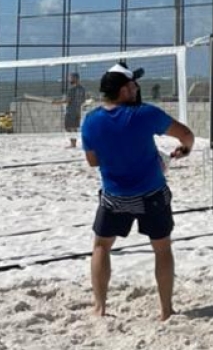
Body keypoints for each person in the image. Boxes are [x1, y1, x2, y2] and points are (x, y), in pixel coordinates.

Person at [81, 65, 195, 320]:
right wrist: (185, 149)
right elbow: (186, 134)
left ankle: (100, 308)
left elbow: (93, 161)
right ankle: (166, 310)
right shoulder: (145, 114)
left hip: (114, 196)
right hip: (151, 193)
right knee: (162, 248)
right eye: (133, 86)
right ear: (123, 90)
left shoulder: (90, 120)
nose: (137, 89)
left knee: (101, 246)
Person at [62, 72, 88, 149]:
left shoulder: (71, 89)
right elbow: (83, 100)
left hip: (71, 111)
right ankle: (74, 143)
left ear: (75, 78)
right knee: (74, 127)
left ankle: (72, 144)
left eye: (71, 77)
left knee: (68, 127)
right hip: (78, 111)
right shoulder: (82, 89)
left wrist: (57, 102)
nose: (69, 79)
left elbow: (68, 100)